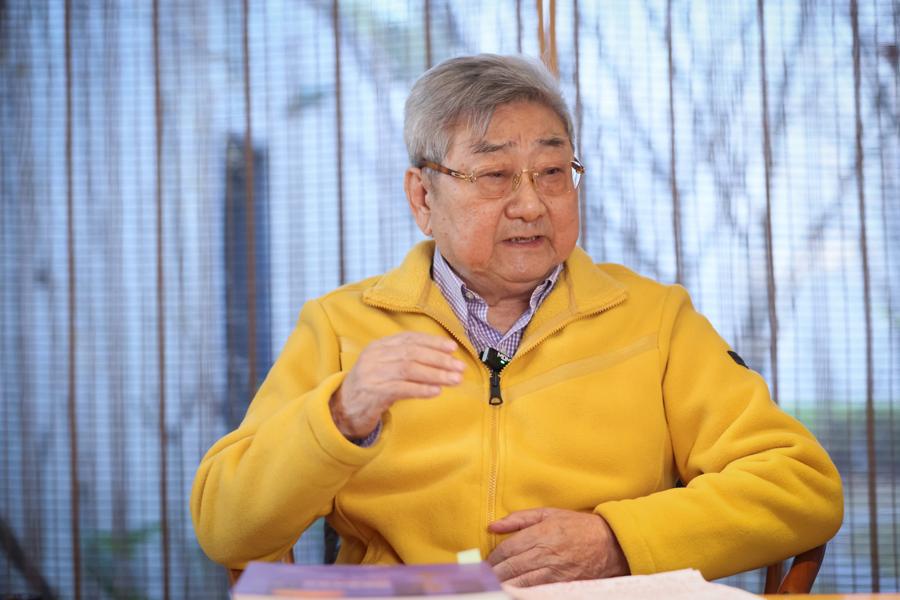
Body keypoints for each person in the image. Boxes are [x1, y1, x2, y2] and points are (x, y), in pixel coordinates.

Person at [191, 54, 842, 586]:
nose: (530, 203)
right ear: (423, 197)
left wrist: (620, 542)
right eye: (495, 174)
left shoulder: (654, 319)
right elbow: (226, 526)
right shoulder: (340, 327)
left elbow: (800, 486)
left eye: (553, 172)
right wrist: (340, 414)